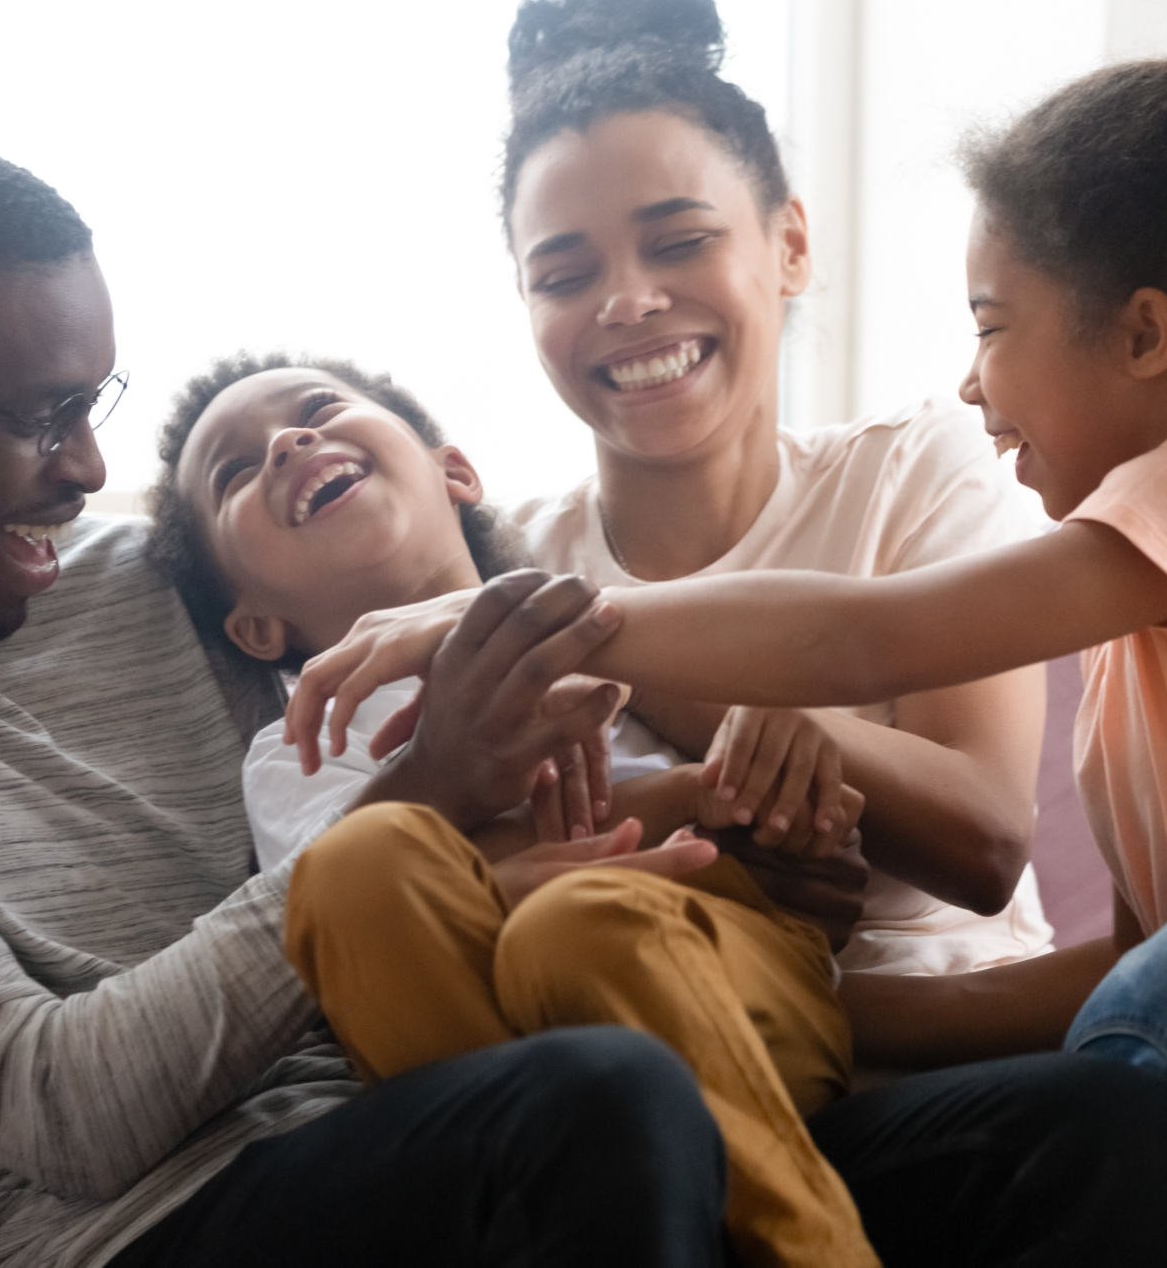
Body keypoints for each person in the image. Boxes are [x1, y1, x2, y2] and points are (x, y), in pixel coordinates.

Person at [497, 0, 1167, 1268]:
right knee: (1166, 1005)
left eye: (993, 326)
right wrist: (805, 1003)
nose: (972, 382)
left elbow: (863, 636)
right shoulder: (1137, 636)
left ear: (1146, 336)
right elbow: (1112, 978)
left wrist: (534, 621)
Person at [0, 132, 732, 1268]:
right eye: (41, 416)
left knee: (1061, 1133)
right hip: (141, 1229)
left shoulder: (152, 575)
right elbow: (62, 1116)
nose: (82, 468)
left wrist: (756, 787)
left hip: (406, 1119)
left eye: (91, 406)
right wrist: (430, 790)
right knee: (598, 1106)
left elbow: (462, 589)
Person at [148, 350, 878, 1268]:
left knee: (580, 922)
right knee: (356, 866)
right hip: (504, 1036)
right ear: (255, 626)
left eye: (320, 408)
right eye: (235, 472)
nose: (290, 442)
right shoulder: (299, 750)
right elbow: (371, 927)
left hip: (721, 976)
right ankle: (552, 1189)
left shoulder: (610, 630)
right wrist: (662, 808)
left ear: (454, 472)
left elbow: (753, 799)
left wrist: (767, 771)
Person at [502, 0, 1054, 977]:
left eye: (680, 242)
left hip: (966, 1063)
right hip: (664, 1052)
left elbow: (985, 841)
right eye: (566, 275)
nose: (628, 301)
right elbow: (483, 872)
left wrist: (802, 733)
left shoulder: (914, 467)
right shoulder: (507, 559)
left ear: (790, 245)